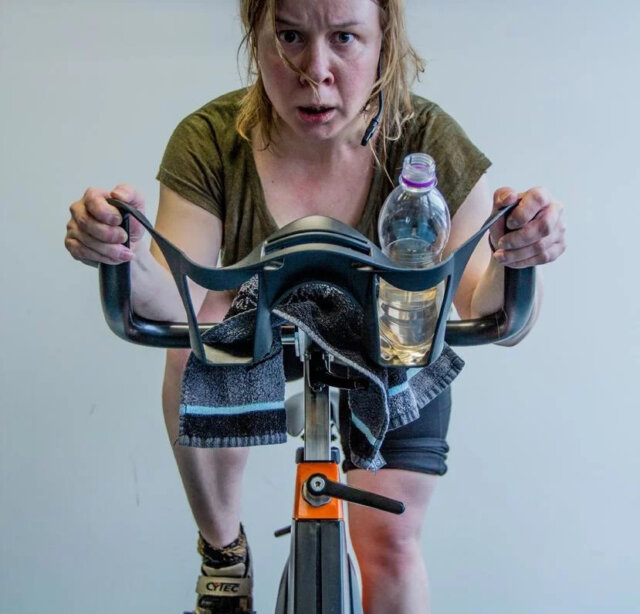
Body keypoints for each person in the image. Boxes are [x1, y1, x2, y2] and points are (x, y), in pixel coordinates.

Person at [64, 1, 566, 612]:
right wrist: (121, 255)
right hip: (260, 332)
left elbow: (489, 307)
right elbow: (177, 299)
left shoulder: (427, 141)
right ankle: (223, 555)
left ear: (384, 41)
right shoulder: (211, 139)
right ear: (256, 36)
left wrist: (520, 257)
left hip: (390, 345)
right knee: (195, 343)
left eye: (345, 38)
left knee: (390, 548)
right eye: (290, 36)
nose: (315, 70)